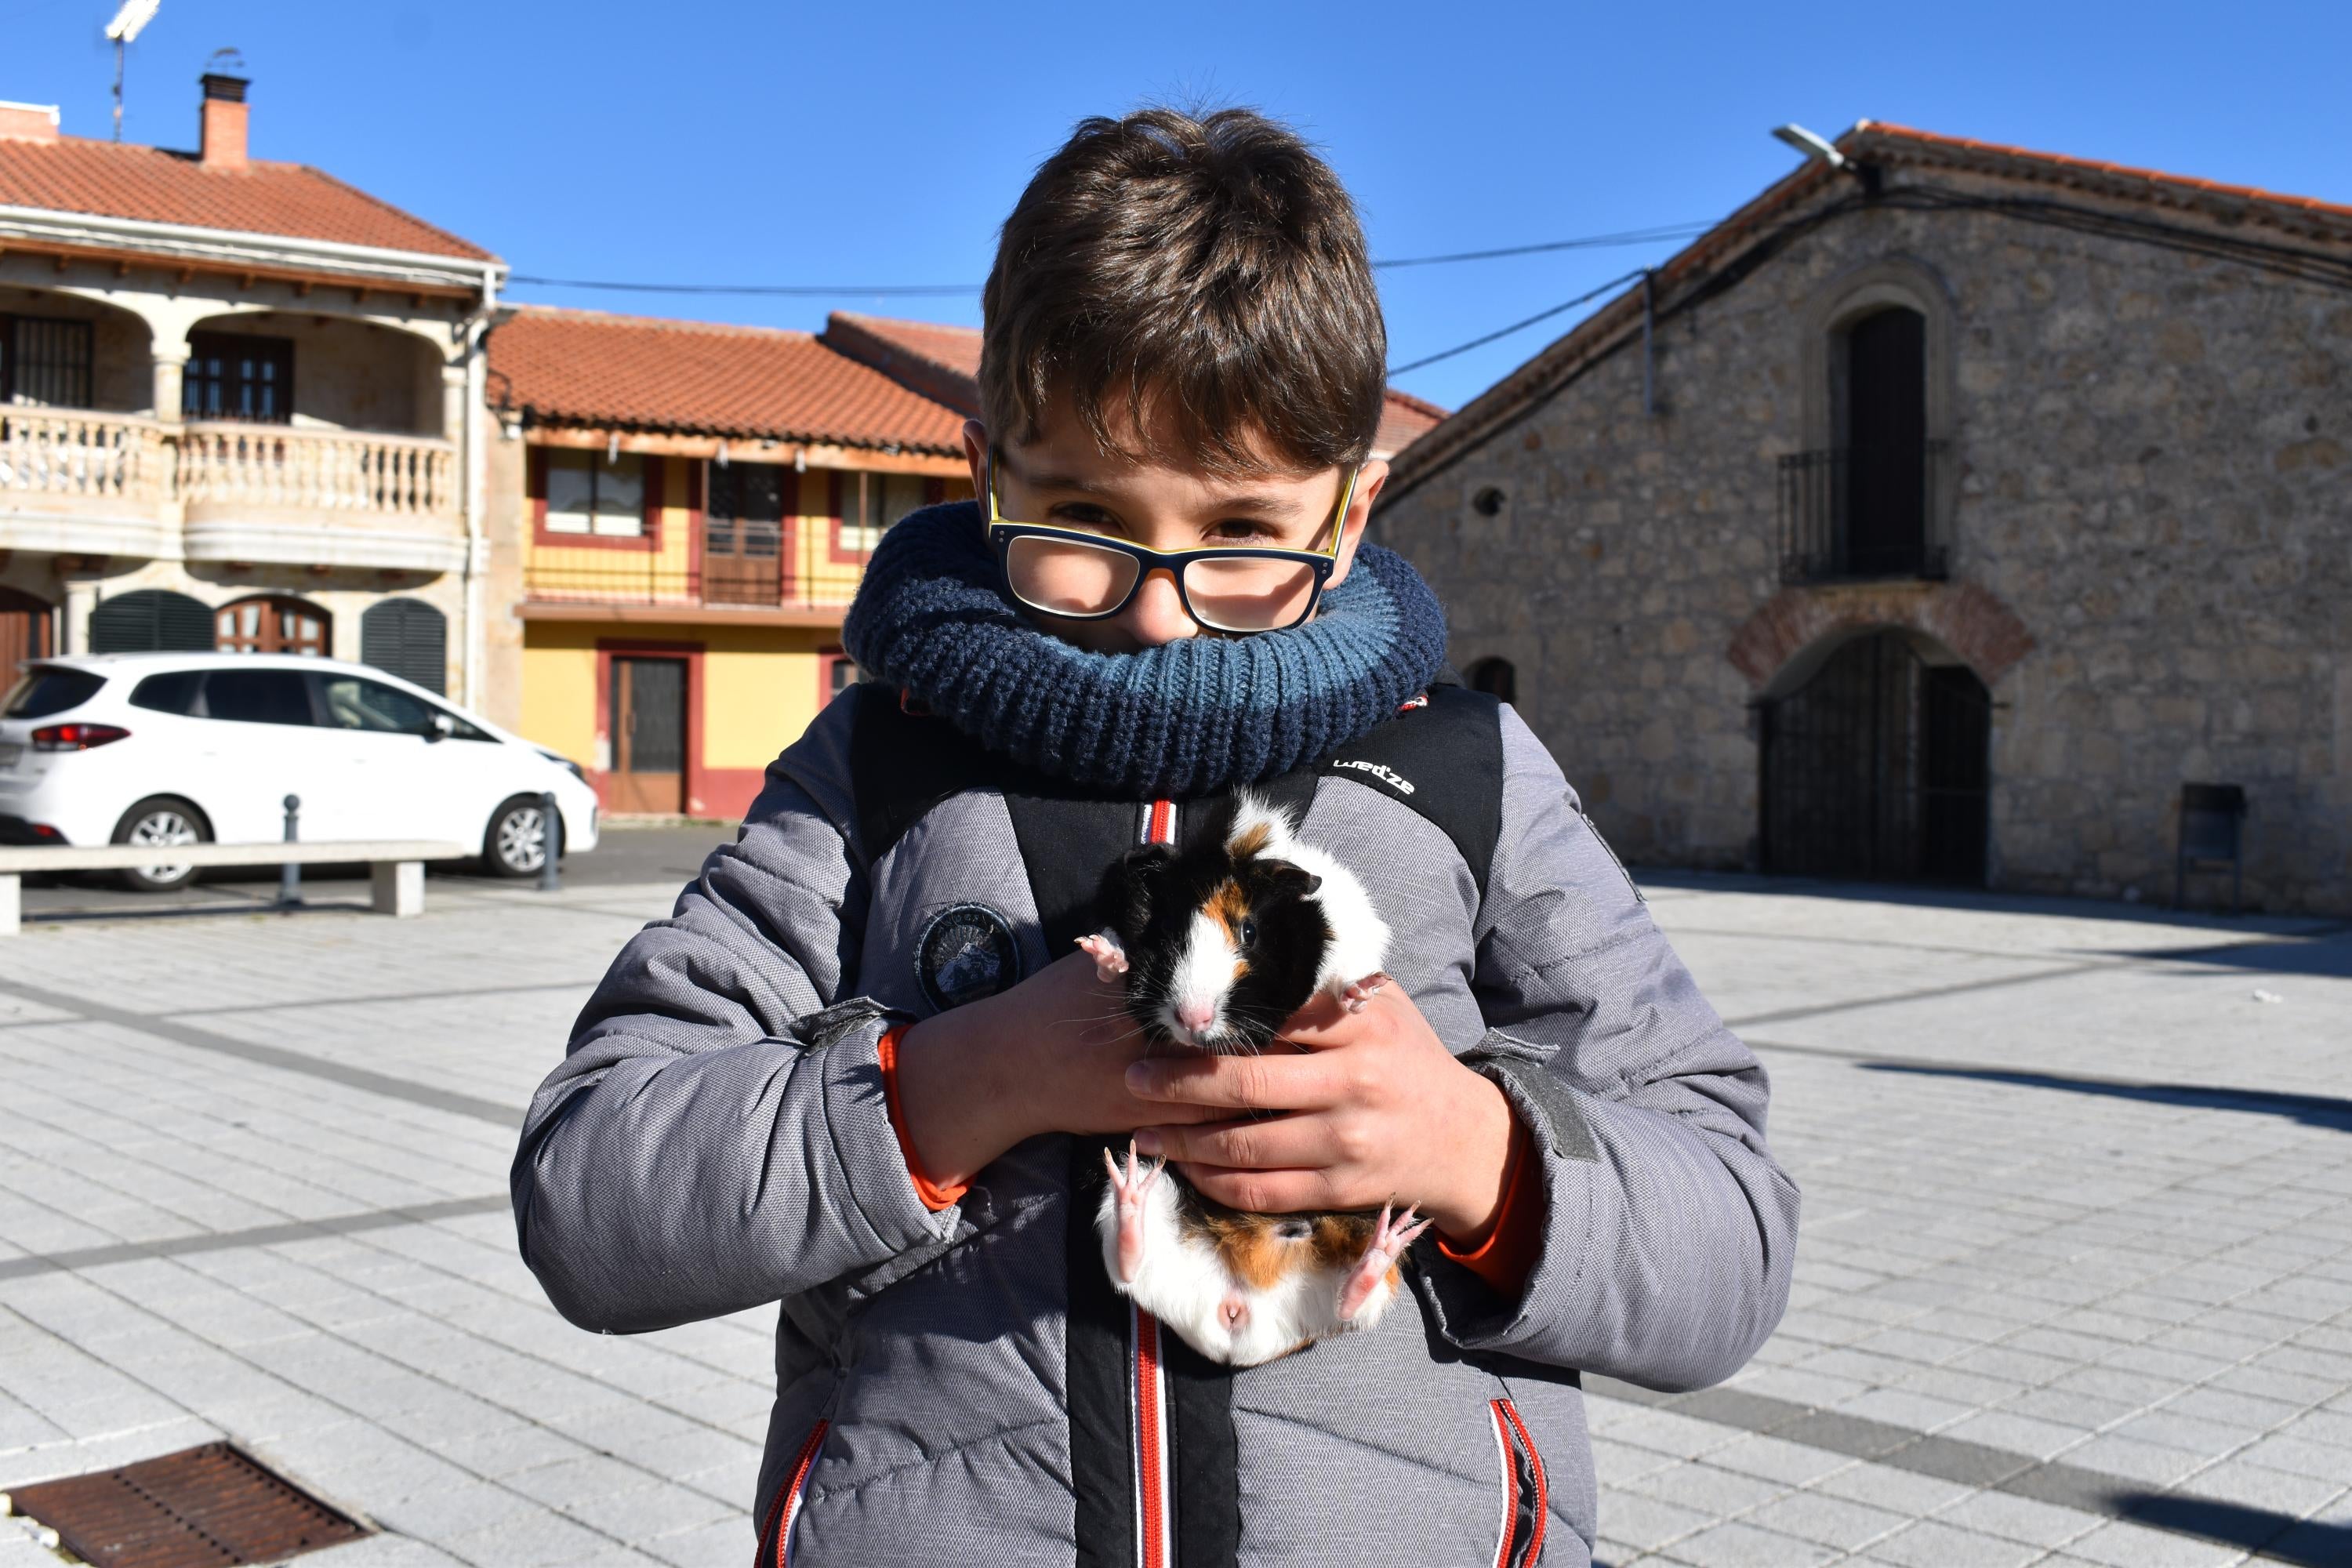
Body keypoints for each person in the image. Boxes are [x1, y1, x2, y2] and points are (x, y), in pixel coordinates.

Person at [510, 106, 1797, 1567]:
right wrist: (949, 1083)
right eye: (1082, 517)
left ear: (1354, 511)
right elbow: (588, 1201)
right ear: (984, 465)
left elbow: (1734, 1250)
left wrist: (1475, 1149)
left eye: (1245, 533)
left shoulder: (1469, 774)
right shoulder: (877, 773)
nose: (1157, 610)